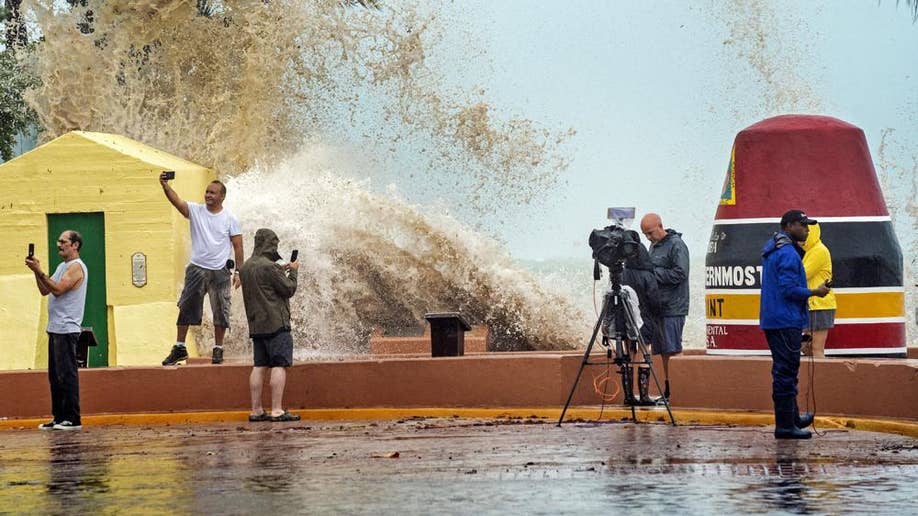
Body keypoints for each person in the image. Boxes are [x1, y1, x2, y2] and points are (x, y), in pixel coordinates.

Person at [159, 173, 244, 366]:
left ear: (222, 197)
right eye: (206, 192)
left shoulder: (230, 218)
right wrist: (165, 186)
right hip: (196, 269)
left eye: (212, 193)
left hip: (220, 271)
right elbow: (177, 202)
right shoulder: (196, 211)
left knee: (221, 310)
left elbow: (238, 245)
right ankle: (180, 347)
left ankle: (218, 349)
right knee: (186, 307)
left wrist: (239, 272)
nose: (208, 195)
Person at [760, 210, 830, 439]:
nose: (807, 229)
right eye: (803, 225)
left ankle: (792, 418)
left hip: (774, 319)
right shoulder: (788, 254)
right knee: (786, 373)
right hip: (785, 320)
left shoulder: (775, 248)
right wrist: (815, 292)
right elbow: (789, 290)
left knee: (786, 370)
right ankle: (785, 426)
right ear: (789, 226)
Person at [25, 230, 88, 431]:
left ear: (75, 245)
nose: (58, 244)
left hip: (67, 328)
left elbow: (59, 289)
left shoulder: (76, 267)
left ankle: (73, 418)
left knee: (67, 374)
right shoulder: (63, 266)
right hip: (55, 328)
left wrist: (40, 270)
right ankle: (59, 417)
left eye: (63, 241)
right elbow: (46, 290)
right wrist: (36, 272)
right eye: (58, 241)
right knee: (55, 376)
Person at [239, 228, 301, 422]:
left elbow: (263, 283)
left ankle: (256, 410)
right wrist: (294, 273)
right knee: (279, 365)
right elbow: (288, 289)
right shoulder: (271, 267)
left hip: (257, 325)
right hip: (276, 324)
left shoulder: (246, 267)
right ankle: (276, 410)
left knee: (259, 366)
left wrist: (279, 271)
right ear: (271, 244)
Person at [639, 213, 689, 401]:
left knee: (674, 349)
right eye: (645, 235)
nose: (649, 238)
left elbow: (680, 273)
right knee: (663, 351)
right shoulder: (654, 246)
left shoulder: (677, 245)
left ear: (660, 226)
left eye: (650, 233)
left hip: (673, 306)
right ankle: (669, 391)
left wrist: (653, 275)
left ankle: (681, 392)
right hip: (657, 306)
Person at [618, 244, 664, 406]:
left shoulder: (621, 274)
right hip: (644, 321)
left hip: (626, 320)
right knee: (645, 354)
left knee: (628, 354)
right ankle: (644, 397)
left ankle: (628, 397)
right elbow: (654, 301)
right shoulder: (647, 275)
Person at [800, 222, 836, 358]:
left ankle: (821, 378)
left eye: (804, 231)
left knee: (816, 348)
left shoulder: (818, 251)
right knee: (806, 347)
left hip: (819, 305)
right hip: (811, 305)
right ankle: (813, 378)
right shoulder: (810, 252)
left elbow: (802, 274)